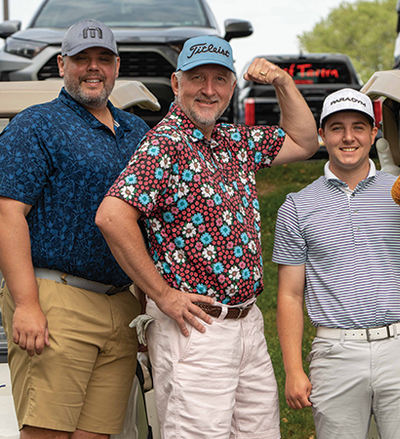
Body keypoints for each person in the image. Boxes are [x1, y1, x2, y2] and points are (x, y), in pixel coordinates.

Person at [94, 35, 318, 438]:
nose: (209, 89)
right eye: (197, 78)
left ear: (232, 87)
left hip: (247, 322)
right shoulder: (165, 145)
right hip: (196, 330)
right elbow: (112, 217)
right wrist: (163, 294)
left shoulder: (233, 141)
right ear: (177, 84)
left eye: (219, 79)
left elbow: (304, 141)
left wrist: (283, 82)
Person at [273, 88, 400, 439]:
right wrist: (293, 368)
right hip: (334, 353)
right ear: (322, 135)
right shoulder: (297, 206)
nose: (348, 137)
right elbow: (290, 295)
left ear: (374, 134)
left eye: (358, 126)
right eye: (337, 127)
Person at [0, 19, 149, 439]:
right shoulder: (36, 125)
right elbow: (7, 214)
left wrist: (142, 303)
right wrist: (27, 303)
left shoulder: (136, 132)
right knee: (46, 433)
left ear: (117, 66)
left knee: (98, 436)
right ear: (62, 64)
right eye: (81, 59)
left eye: (103, 58)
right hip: (55, 299)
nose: (93, 68)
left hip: (120, 305)